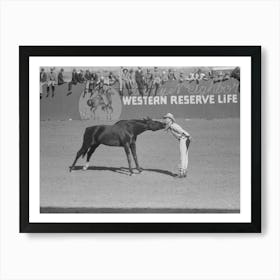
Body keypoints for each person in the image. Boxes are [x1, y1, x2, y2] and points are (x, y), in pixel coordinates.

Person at [163, 113, 191, 178]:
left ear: (170, 119)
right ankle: (184, 172)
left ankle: (181, 173)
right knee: (185, 156)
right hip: (185, 139)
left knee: (183, 156)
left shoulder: (173, 125)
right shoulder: (171, 125)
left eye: (166, 118)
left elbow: (181, 131)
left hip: (184, 139)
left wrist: (188, 136)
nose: (165, 119)